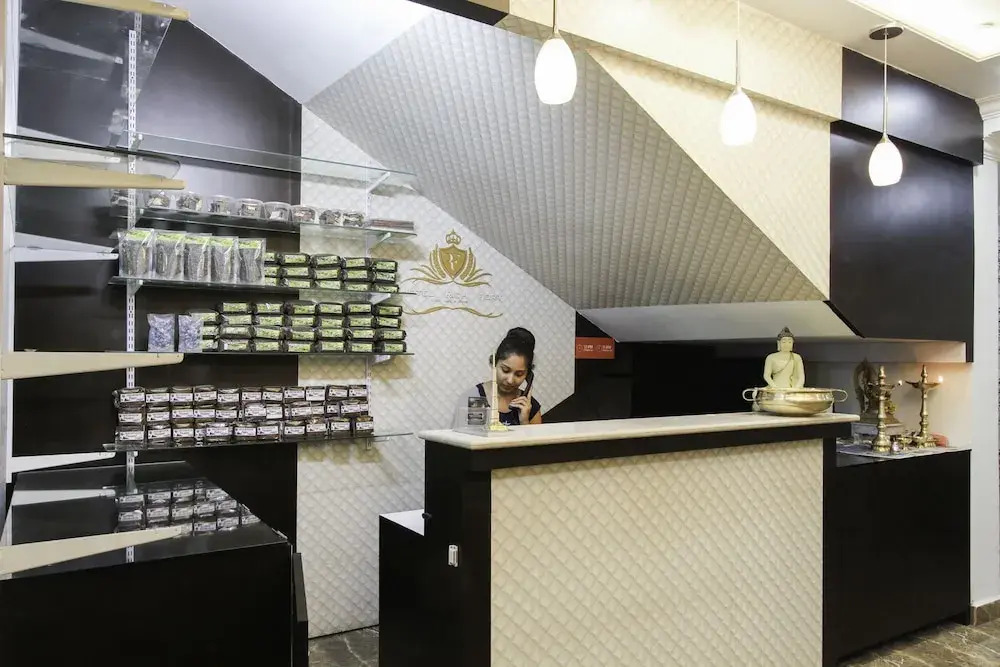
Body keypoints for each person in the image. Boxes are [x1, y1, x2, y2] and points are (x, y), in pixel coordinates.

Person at [466, 327, 542, 426]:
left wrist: (524, 421)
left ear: (527, 375)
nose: (510, 380)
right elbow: (472, 435)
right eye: (505, 370)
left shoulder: (530, 407)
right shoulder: (477, 397)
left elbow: (537, 436)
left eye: (519, 374)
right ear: (494, 363)